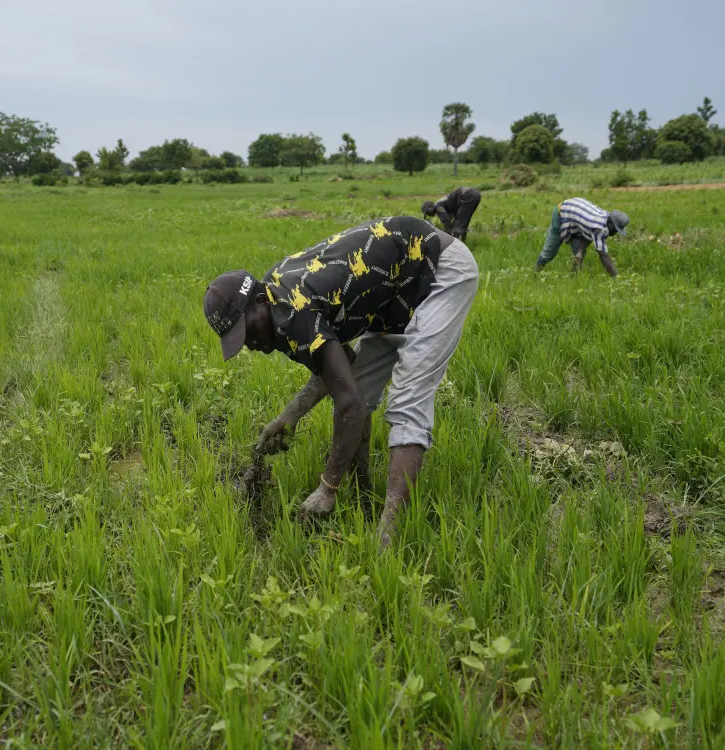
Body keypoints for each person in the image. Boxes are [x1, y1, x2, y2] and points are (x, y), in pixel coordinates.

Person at [203, 216, 480, 547]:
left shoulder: (293, 310)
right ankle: (365, 500)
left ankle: (387, 539)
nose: (249, 343)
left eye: (246, 330)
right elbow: (340, 368)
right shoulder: (277, 297)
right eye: (238, 339)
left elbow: (348, 403)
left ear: (260, 301)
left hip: (438, 269)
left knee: (407, 399)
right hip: (397, 292)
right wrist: (288, 418)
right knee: (360, 389)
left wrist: (327, 488)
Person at [534, 197, 629, 276]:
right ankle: (535, 273)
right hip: (563, 212)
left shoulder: (606, 218)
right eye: (616, 229)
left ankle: (574, 277)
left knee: (579, 254)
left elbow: (589, 234)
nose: (616, 232)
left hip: (576, 217)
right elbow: (603, 255)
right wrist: (616, 277)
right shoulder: (598, 227)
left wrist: (579, 251)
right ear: (611, 224)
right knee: (550, 250)